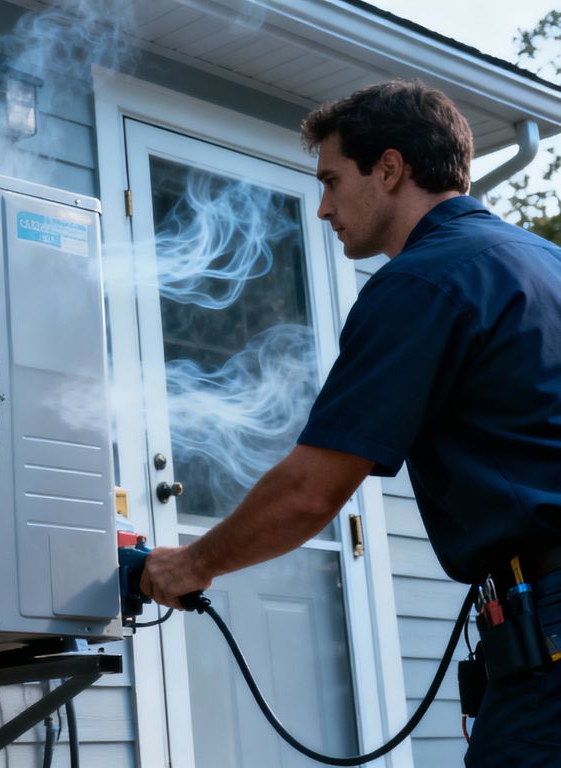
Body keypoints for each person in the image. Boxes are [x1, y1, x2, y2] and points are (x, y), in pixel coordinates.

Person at [139, 79, 561, 766]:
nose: (323, 209)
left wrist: (189, 564)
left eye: (333, 181)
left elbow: (311, 490)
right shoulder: (545, 262)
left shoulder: (423, 282)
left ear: (390, 169)